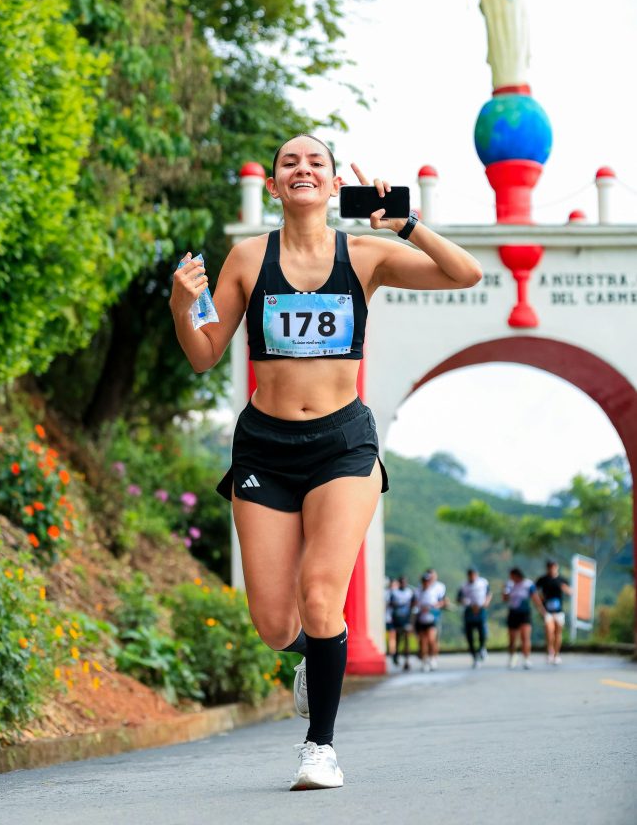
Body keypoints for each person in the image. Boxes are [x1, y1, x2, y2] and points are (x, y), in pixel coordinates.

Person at [169, 134, 482, 790]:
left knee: (320, 594)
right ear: (275, 187)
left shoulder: (367, 253)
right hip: (264, 447)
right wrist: (180, 305)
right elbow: (203, 352)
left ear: (335, 186)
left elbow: (465, 274)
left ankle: (320, 748)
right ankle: (313, 656)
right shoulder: (248, 258)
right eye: (289, 163)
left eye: (315, 162)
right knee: (275, 622)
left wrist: (407, 225)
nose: (301, 168)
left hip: (343, 443)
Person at [502, 567, 545, 669]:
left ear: (516, 575)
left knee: (525, 637)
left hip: (525, 614)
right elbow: (504, 599)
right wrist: (505, 591)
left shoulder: (528, 584)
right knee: (512, 638)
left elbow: (535, 598)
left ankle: (526, 658)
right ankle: (512, 656)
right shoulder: (509, 584)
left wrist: (542, 611)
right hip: (513, 613)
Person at [535, 559, 572, 665]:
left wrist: (566, 589)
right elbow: (535, 592)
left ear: (556, 567)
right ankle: (550, 651)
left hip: (559, 610)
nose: (551, 568)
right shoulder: (543, 579)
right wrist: (540, 604)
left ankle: (557, 654)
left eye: (553, 566)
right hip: (547, 611)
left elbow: (570, 591)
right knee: (549, 631)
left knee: (558, 633)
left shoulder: (562, 580)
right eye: (549, 567)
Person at [413, 571, 448, 671]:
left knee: (431, 640)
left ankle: (433, 658)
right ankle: (424, 660)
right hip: (421, 619)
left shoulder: (435, 591)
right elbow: (414, 604)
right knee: (423, 641)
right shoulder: (418, 591)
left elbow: (442, 602)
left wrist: (433, 607)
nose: (426, 583)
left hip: (432, 618)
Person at [457, 567, 491, 667]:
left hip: (480, 610)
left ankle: (481, 648)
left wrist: (486, 602)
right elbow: (459, 598)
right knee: (470, 636)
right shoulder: (463, 585)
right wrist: (465, 602)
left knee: (482, 633)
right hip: (469, 611)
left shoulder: (483, 583)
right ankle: (474, 657)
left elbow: (489, 594)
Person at [388, 575, 414, 670]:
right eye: (402, 582)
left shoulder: (409, 592)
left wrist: (411, 620)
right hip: (397, 619)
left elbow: (412, 605)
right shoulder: (394, 593)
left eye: (404, 582)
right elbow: (390, 604)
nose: (403, 584)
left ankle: (407, 660)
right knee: (398, 639)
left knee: (407, 639)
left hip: (406, 619)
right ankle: (396, 655)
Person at [384, 577, 398, 658]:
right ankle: (392, 651)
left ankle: (392, 651)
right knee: (392, 635)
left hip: (392, 618)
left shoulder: (386, 593)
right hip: (389, 617)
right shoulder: (388, 593)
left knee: (392, 636)